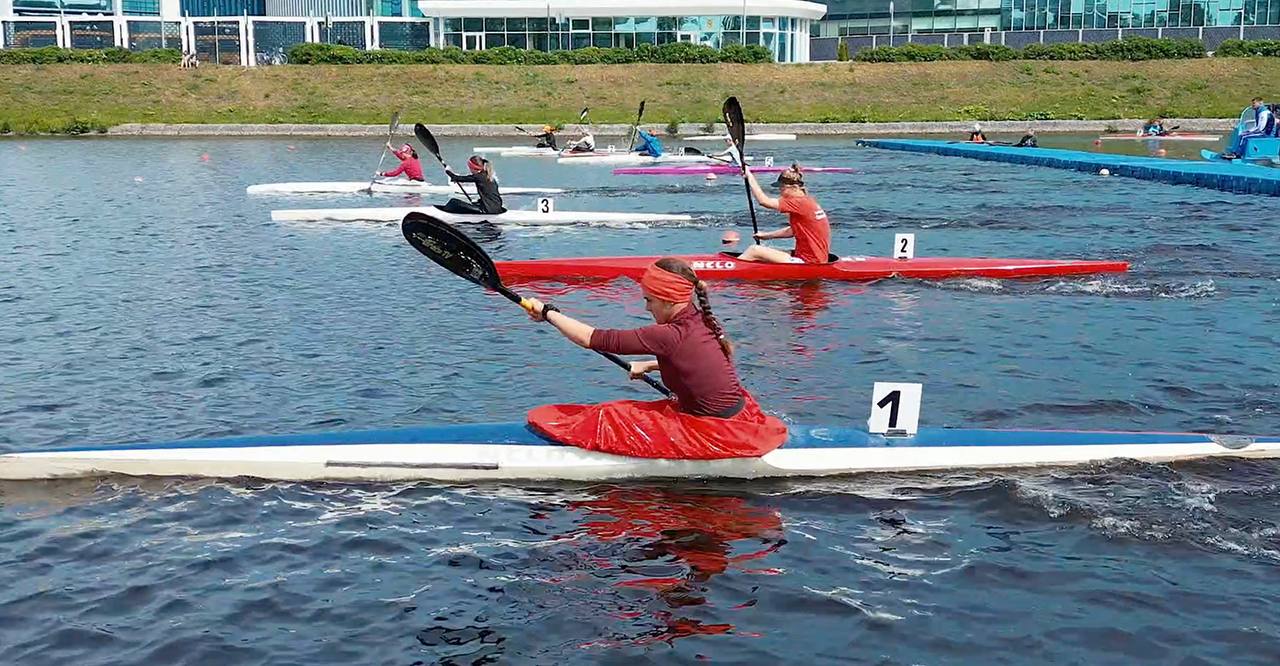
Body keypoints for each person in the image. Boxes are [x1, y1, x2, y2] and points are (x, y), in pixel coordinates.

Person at [522, 258, 788, 459]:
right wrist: (650, 364)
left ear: (669, 300)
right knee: (624, 408)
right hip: (736, 414)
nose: (647, 307)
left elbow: (591, 338)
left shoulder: (669, 334)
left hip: (714, 431)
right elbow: (695, 362)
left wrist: (548, 313)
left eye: (649, 300)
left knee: (607, 415)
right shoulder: (700, 319)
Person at [735, 165, 832, 265]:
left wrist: (750, 176)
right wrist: (766, 236)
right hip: (813, 257)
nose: (780, 192)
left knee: (754, 250)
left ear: (795, 187)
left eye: (782, 188)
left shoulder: (798, 202)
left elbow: (764, 201)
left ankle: (730, 269)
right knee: (765, 252)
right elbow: (792, 230)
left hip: (809, 261)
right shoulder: (809, 202)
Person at [438, 155, 505, 215]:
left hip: (488, 210)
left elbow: (456, 178)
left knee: (453, 202)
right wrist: (479, 202)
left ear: (473, 168)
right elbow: (491, 196)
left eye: (469, 167)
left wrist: (448, 171)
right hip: (497, 208)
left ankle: (443, 214)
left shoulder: (479, 176)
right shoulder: (488, 176)